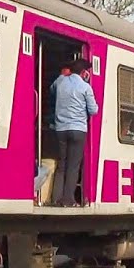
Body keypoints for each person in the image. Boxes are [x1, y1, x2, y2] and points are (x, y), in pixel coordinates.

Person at [50, 58, 97, 207]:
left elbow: (52, 90)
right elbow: (93, 110)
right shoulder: (85, 87)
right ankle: (68, 199)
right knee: (73, 166)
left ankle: (56, 198)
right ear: (84, 73)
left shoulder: (60, 81)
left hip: (61, 129)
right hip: (77, 130)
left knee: (62, 164)